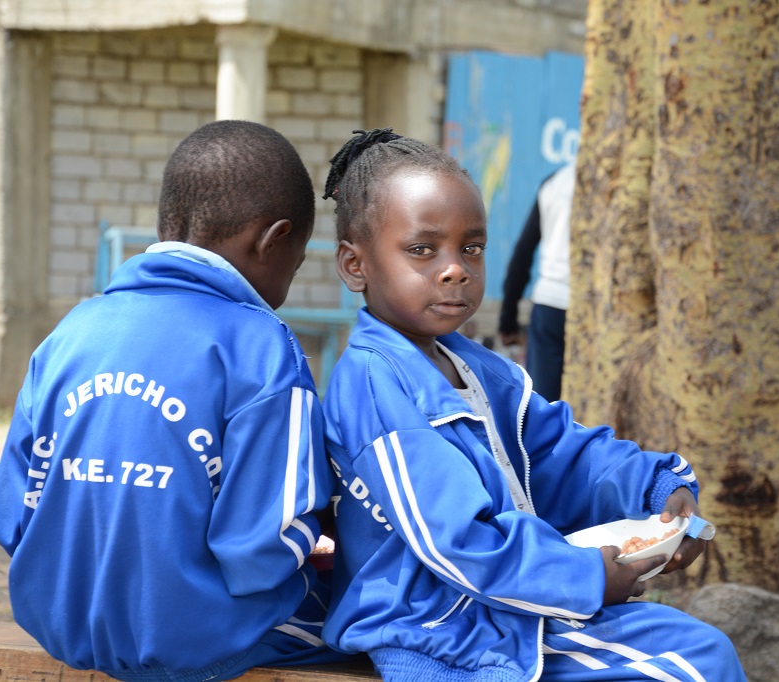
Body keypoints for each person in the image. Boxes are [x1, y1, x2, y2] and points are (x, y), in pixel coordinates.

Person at [319, 128, 746, 681]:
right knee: (692, 665)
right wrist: (586, 579)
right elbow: (454, 542)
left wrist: (657, 487)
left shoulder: (476, 367)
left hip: (508, 606)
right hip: (439, 632)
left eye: (471, 247)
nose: (456, 269)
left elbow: (561, 452)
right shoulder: (376, 386)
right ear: (356, 266)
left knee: (694, 646)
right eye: (423, 250)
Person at [0, 120, 354, 681]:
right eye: (295, 267)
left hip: (57, 622)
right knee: (370, 616)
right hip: (196, 641)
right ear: (272, 241)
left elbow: (7, 511)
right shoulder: (262, 347)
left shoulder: (72, 332)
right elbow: (262, 550)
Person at [498, 162, 574, 401]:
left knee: (544, 401)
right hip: (596, 306)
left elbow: (523, 254)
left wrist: (508, 319)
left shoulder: (556, 181)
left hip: (550, 305)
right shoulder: (620, 179)